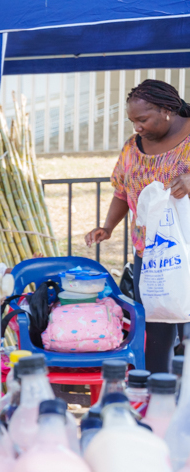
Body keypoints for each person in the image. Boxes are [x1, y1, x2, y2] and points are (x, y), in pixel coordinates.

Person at [84, 79, 190, 373]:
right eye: (133, 121)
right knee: (156, 324)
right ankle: (158, 388)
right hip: (152, 254)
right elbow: (122, 190)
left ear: (167, 109)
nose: (137, 127)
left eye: (142, 119)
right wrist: (107, 227)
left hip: (188, 252)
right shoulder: (133, 148)